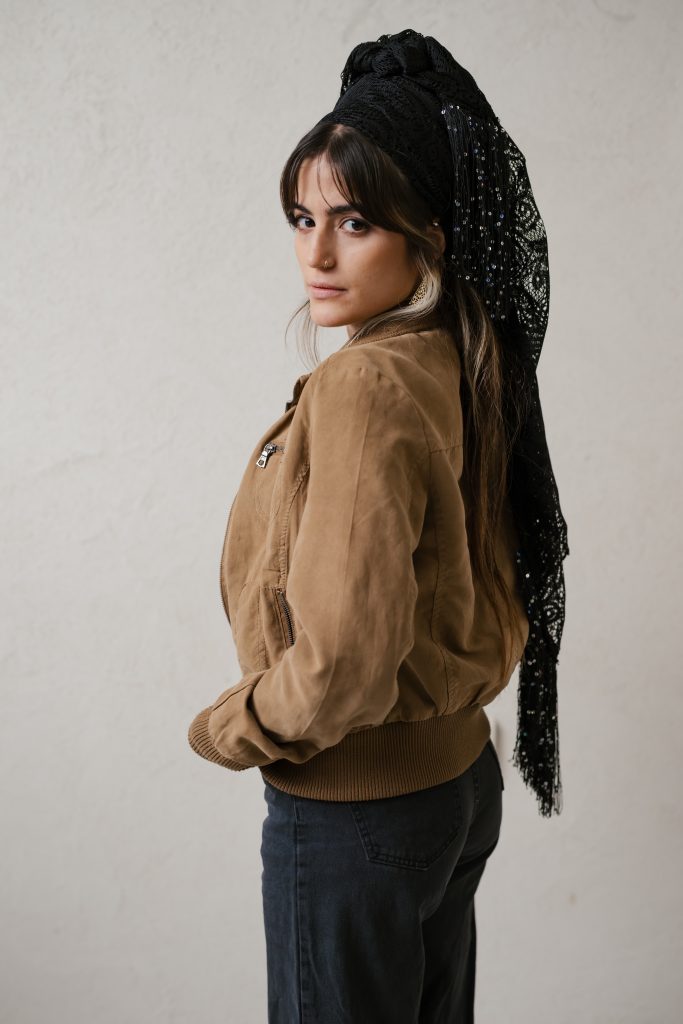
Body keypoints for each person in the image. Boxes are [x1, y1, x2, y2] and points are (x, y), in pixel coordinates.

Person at [187, 28, 569, 1023]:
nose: (315, 253)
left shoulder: (365, 383)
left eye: (353, 222)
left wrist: (231, 727)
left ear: (428, 231)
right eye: (302, 217)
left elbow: (345, 664)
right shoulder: (460, 352)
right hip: (451, 784)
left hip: (357, 813)